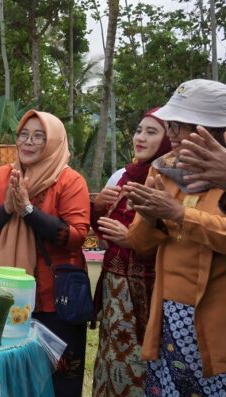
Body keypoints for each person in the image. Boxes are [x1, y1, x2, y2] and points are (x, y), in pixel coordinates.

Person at [0, 110, 90, 396]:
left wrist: (28, 211)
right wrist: (8, 209)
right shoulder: (2, 177)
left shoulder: (69, 181)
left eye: (39, 136)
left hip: (56, 300)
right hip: (7, 297)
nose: (28, 142)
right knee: (8, 378)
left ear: (54, 142)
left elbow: (74, 237)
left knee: (59, 380)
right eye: (23, 134)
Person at [124, 79, 226, 396]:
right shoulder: (165, 171)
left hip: (215, 321)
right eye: (171, 124)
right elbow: (140, 244)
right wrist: (153, 215)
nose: (172, 134)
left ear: (215, 131)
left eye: (182, 126)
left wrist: (179, 214)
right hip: (170, 317)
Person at [90, 109, 172, 396]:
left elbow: (175, 235)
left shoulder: (170, 179)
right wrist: (98, 207)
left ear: (167, 140)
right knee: (111, 356)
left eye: (152, 132)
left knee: (141, 362)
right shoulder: (123, 175)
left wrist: (133, 239)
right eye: (139, 130)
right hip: (114, 287)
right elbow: (102, 231)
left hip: (147, 289)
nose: (141, 137)